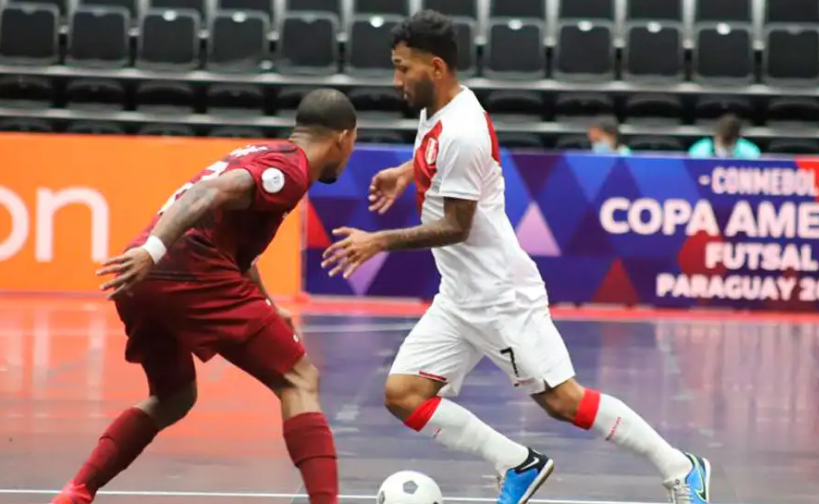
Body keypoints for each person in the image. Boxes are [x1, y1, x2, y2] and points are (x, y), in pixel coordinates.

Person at [321, 10, 712, 504]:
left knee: (563, 401)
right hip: (459, 297)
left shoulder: (464, 129)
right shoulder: (437, 111)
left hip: (501, 296)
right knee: (403, 394)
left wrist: (378, 241)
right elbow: (434, 155)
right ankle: (518, 465)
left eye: (404, 68)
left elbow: (455, 227)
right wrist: (405, 172)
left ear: (436, 67)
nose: (396, 79)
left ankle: (681, 467)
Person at [51, 88, 358, 504]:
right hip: (183, 270)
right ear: (344, 138)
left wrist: (269, 304)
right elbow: (204, 196)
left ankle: (77, 491)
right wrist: (153, 251)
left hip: (142, 280)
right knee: (299, 379)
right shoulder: (289, 170)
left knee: (173, 396)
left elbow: (239, 253)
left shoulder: (261, 151)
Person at [688, 113, 760, 159]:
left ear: (738, 136)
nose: (726, 143)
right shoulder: (699, 150)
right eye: (724, 139)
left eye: (730, 140)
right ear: (716, 134)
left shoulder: (750, 151)